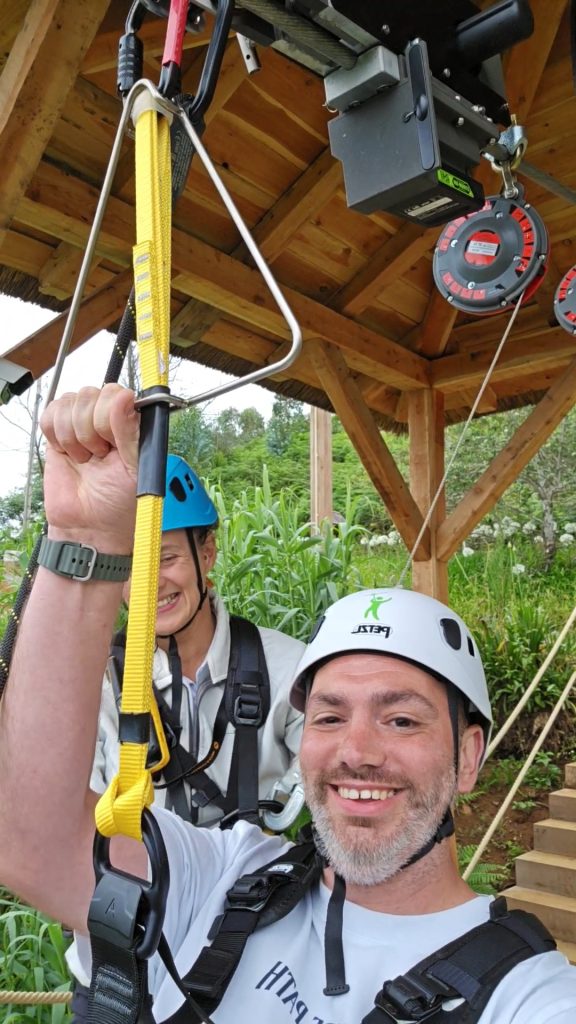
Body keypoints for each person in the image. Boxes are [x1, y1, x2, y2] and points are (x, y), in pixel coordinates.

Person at [0, 384, 575, 1024]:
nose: (356, 750)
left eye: (402, 718)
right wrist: (84, 540)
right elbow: (31, 830)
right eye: (329, 716)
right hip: (133, 928)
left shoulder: (523, 993)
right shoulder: (228, 873)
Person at [66, 450, 305, 1018]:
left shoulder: (290, 669)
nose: (149, 585)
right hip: (124, 970)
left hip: (245, 966)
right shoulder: (97, 684)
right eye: (130, 567)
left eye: (166, 558)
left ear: (207, 554)